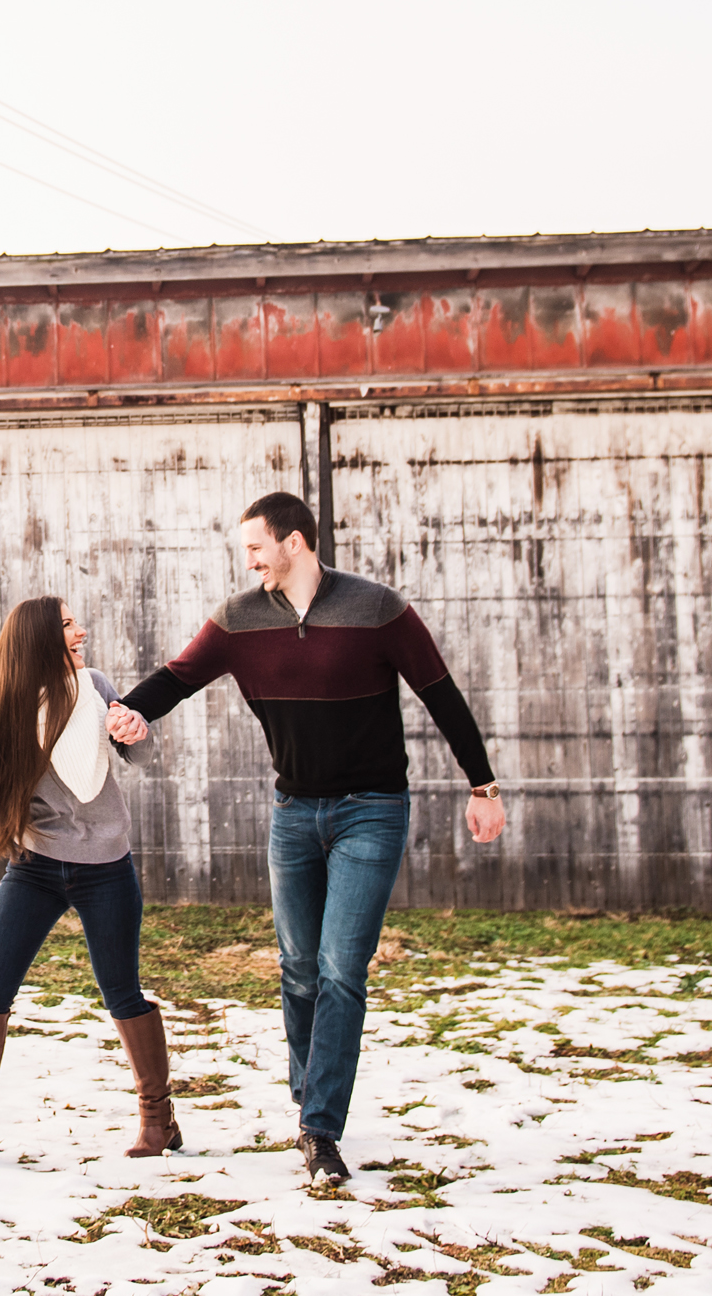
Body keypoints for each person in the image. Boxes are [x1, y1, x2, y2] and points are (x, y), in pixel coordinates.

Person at [106, 492, 503, 1183]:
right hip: (294, 814)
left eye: (257, 547)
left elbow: (442, 693)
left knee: (341, 969)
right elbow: (175, 678)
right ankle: (312, 1092)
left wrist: (483, 785)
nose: (250, 559)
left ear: (296, 542)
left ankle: (320, 1129)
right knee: (297, 967)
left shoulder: (378, 610)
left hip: (371, 811)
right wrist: (128, 714)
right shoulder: (239, 620)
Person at [0, 595, 182, 1159]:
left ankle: (158, 1119)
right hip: (35, 867)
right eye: (68, 625)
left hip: (106, 870)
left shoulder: (94, 686)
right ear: (40, 638)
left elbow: (136, 756)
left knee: (122, 992)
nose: (81, 632)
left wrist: (134, 729)